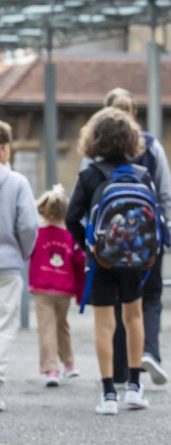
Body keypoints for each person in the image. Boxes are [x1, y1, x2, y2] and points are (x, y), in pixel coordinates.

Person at [84, 88, 171, 386]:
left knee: (111, 309)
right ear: (134, 115)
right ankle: (148, 355)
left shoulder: (92, 165)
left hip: (105, 249)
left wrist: (88, 241)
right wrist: (161, 231)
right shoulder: (151, 148)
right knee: (148, 300)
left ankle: (116, 375)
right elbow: (163, 193)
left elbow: (81, 209)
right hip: (145, 243)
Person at [67, 107, 154, 415]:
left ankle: (107, 394)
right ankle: (133, 386)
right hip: (135, 260)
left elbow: (71, 217)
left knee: (104, 325)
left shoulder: (89, 175)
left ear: (95, 139)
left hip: (101, 260)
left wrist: (88, 245)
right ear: (130, 139)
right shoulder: (142, 174)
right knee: (134, 319)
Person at [29, 184, 85, 388]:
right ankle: (69, 363)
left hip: (41, 287)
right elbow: (79, 259)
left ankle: (51, 368)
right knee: (62, 326)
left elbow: (28, 251)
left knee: (46, 328)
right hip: (64, 288)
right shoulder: (70, 235)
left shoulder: (37, 233)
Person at [0, 120, 38, 412]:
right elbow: (27, 225)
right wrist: (23, 253)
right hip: (8, 265)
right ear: (4, 147)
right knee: (4, 328)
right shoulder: (17, 182)